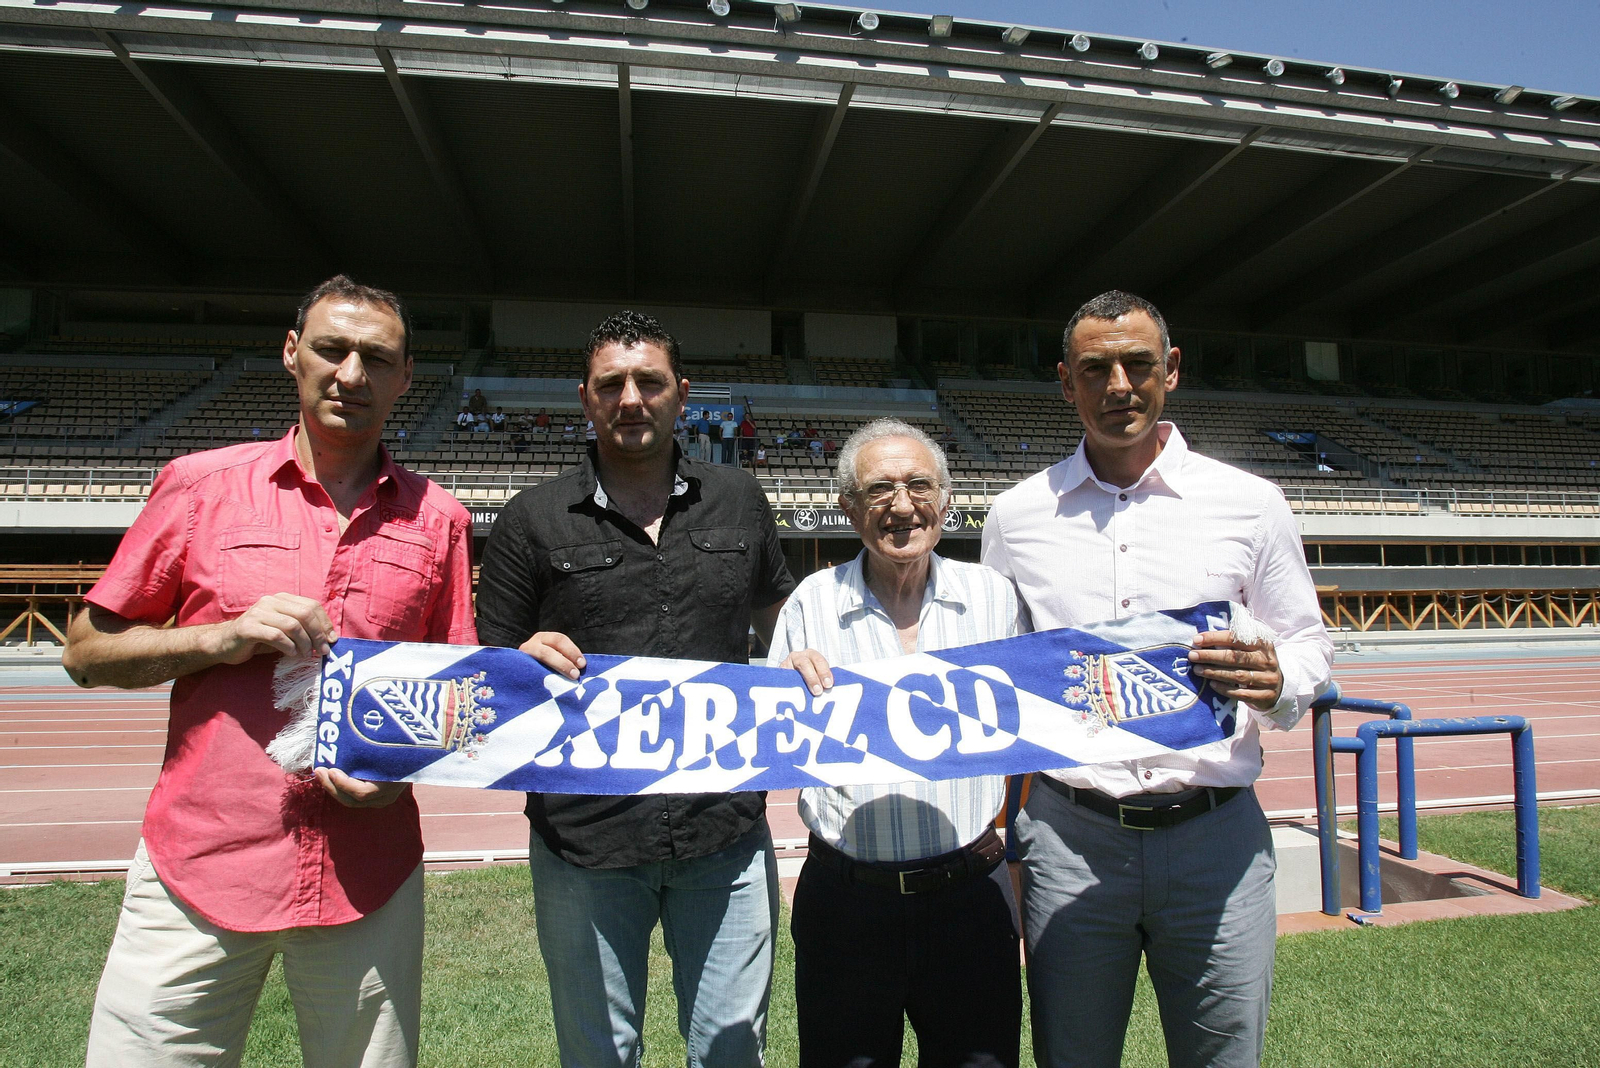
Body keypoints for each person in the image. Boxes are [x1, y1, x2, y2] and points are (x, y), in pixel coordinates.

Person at [65, 275, 477, 1068]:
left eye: (376, 359)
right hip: (200, 864)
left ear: (405, 378)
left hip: (368, 876)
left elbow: (455, 690)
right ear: (293, 353)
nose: (351, 374)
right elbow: (84, 650)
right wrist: (216, 640)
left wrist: (400, 770)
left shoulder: (441, 521)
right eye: (333, 349)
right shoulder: (200, 487)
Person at [981, 291, 1333, 1068]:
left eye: (1138, 364)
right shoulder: (1015, 517)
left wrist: (1277, 679)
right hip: (1071, 837)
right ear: (1065, 381)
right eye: (1096, 368)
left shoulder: (1251, 503)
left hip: (1216, 837)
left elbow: (1309, 644)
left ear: (1170, 371)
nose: (1119, 386)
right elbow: (999, 674)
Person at [475, 310, 797, 1068]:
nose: (631, 399)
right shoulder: (531, 520)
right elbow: (487, 666)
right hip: (584, 838)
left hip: (724, 830)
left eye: (649, 382)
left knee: (730, 1053)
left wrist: (814, 658)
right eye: (611, 384)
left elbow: (788, 621)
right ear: (584, 399)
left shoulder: (740, 501)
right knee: (600, 1056)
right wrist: (517, 657)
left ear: (681, 394)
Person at [769, 418, 1025, 1068]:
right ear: (848, 508)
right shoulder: (809, 606)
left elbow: (1038, 719)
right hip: (847, 906)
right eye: (879, 489)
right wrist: (781, 692)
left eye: (919, 485)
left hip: (971, 900)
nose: (903, 505)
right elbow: (769, 739)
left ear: (945, 500)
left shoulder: (996, 599)